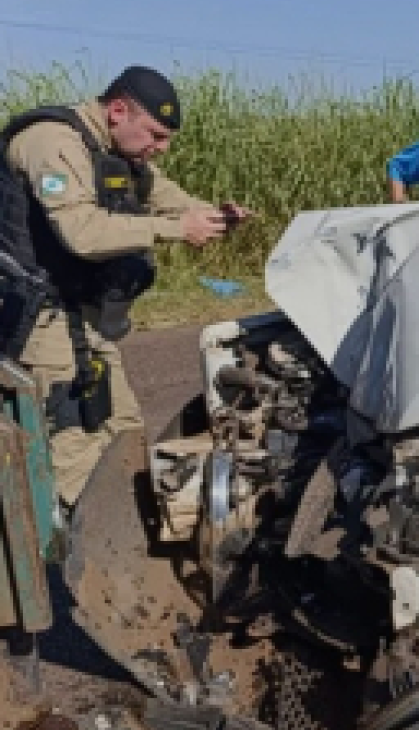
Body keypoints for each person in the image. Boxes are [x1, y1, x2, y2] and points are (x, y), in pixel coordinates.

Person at [0, 65, 251, 509]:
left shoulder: (117, 154)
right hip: (40, 319)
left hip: (86, 315)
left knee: (122, 429)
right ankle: (74, 559)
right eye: (155, 135)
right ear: (118, 111)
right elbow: (81, 231)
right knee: (71, 441)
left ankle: (122, 530)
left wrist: (212, 214)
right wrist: (174, 228)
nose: (161, 148)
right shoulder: (51, 143)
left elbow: (165, 195)